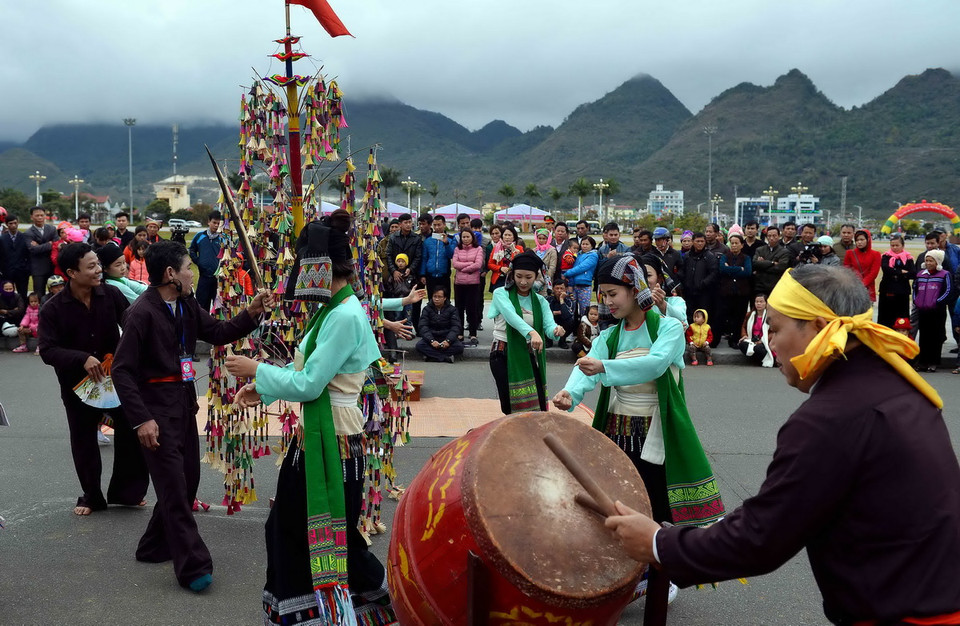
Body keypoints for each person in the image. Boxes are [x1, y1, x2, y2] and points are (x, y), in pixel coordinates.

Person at [605, 264, 960, 626]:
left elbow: (761, 537)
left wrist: (658, 543)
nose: (770, 342)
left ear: (818, 327)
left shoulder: (830, 417)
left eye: (774, 329)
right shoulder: (898, 387)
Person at [225, 211, 396, 624]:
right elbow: (306, 371)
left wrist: (256, 369)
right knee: (293, 527)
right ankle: (318, 612)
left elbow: (310, 385)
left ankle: (366, 604)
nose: (299, 277)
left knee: (326, 532)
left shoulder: (344, 314)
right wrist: (263, 387)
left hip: (332, 436)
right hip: (317, 434)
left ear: (318, 268)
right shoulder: (332, 310)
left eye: (302, 266)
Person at [554, 255, 724, 603]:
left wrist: (604, 367)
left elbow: (655, 365)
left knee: (654, 500)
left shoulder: (669, 329)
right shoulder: (610, 335)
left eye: (613, 293)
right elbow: (585, 369)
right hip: (617, 426)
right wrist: (569, 394)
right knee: (619, 498)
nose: (607, 302)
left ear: (635, 290)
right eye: (603, 294)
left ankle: (665, 574)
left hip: (655, 429)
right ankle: (629, 571)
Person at [111, 240, 274, 592]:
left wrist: (252, 311)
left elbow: (218, 332)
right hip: (155, 411)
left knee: (186, 481)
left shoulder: (186, 303)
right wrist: (141, 420)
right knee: (173, 487)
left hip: (183, 405)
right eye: (189, 269)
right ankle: (193, 566)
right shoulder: (140, 313)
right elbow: (121, 371)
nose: (193, 275)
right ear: (171, 274)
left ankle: (154, 546)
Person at [37, 242, 149, 515]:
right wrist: (81, 358)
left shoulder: (111, 294)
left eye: (98, 264)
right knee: (84, 440)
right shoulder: (53, 309)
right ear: (71, 273)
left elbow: (131, 325)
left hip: (115, 380)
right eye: (91, 266)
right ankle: (92, 497)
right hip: (77, 385)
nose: (99, 270)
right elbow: (48, 350)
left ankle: (127, 493)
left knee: (131, 430)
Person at [488, 251, 563, 414]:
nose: (523, 282)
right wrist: (532, 333)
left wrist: (556, 330)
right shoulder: (501, 293)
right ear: (512, 274)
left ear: (536, 276)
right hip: (502, 352)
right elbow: (511, 316)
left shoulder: (540, 301)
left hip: (526, 353)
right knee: (511, 406)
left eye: (528, 277)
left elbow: (549, 326)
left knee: (537, 403)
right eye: (519, 276)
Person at [912, 249, 950, 372]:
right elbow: (915, 289)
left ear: (937, 262)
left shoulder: (944, 274)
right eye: (927, 260)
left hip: (937, 311)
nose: (928, 263)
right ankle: (923, 362)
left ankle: (933, 362)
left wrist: (937, 302)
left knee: (936, 336)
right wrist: (916, 301)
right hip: (923, 310)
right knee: (924, 337)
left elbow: (948, 291)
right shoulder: (920, 274)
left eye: (931, 261)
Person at [387, 213, 423, 332]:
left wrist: (410, 268)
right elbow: (388, 255)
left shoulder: (416, 238)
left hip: (410, 276)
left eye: (410, 222)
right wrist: (394, 271)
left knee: (411, 304)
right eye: (406, 222)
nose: (408, 225)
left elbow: (418, 256)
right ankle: (396, 328)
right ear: (400, 224)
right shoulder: (393, 238)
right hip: (396, 276)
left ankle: (411, 328)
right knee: (396, 303)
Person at [680, 233, 718, 336]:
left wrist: (703, 283)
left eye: (702, 241)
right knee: (690, 315)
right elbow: (682, 271)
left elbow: (714, 273)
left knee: (703, 315)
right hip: (689, 292)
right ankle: (690, 337)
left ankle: (704, 338)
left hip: (704, 293)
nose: (700, 243)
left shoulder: (709, 256)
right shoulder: (687, 256)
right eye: (697, 241)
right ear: (693, 242)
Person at [718, 234, 752, 347]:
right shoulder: (725, 256)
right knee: (723, 315)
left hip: (741, 292)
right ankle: (718, 338)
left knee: (738, 317)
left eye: (736, 243)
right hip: (726, 291)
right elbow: (722, 270)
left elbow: (747, 272)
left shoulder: (746, 258)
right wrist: (739, 269)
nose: (734, 245)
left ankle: (735, 339)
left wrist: (730, 269)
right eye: (732, 243)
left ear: (742, 245)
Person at [452, 228, 483, 346]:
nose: (465, 239)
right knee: (459, 308)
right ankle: (459, 332)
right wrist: (470, 264)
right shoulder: (457, 249)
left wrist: (463, 268)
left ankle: (473, 333)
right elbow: (455, 263)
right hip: (459, 283)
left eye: (467, 236)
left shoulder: (478, 249)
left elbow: (478, 264)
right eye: (463, 237)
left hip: (473, 283)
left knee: (472, 309)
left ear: (472, 237)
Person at [188, 210, 224, 313]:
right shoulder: (200, 236)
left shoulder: (223, 238)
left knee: (218, 308)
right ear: (208, 222)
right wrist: (198, 261)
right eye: (214, 222)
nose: (216, 225)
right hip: (204, 277)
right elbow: (191, 249)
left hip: (218, 279)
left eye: (218, 223)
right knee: (202, 307)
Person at [878, 233, 915, 329]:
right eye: (892, 245)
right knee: (886, 318)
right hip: (887, 290)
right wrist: (901, 272)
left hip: (902, 292)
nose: (894, 247)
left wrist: (895, 272)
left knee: (902, 318)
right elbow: (886, 269)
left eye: (897, 245)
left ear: (902, 245)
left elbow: (912, 273)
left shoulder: (908, 258)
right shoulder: (886, 256)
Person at [416, 287, 464, 363]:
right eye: (435, 296)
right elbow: (423, 326)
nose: (436, 299)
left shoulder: (452, 310)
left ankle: (432, 356)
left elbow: (456, 327)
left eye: (439, 297)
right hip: (432, 337)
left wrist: (448, 340)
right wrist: (431, 340)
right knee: (420, 346)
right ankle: (445, 358)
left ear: (445, 298)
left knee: (459, 347)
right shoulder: (427, 309)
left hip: (446, 336)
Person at [24, 206, 57, 296]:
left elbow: (56, 244)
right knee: (39, 295)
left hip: (52, 267)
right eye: (37, 215)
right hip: (38, 270)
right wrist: (49, 244)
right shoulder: (28, 233)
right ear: (32, 217)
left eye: (42, 215)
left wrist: (39, 246)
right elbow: (33, 250)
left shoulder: (52, 229)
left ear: (45, 216)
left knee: (54, 295)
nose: (40, 217)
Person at [564, 235, 598, 319]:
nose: (584, 246)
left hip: (584, 285)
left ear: (592, 246)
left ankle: (584, 325)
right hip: (573, 285)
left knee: (584, 310)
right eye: (583, 244)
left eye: (587, 244)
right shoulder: (577, 254)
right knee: (571, 308)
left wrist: (567, 273)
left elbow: (582, 267)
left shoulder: (593, 255)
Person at [752, 225, 791, 296]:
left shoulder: (784, 251)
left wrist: (762, 265)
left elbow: (781, 267)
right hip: (760, 285)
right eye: (769, 236)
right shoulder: (760, 250)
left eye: (774, 235)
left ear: (779, 236)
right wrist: (772, 263)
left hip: (775, 285)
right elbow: (755, 264)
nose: (771, 238)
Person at [843, 229, 881, 302]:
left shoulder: (876, 254)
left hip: (868, 289)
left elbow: (873, 273)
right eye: (857, 240)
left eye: (862, 239)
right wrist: (853, 283)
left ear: (868, 239)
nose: (859, 242)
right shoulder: (850, 253)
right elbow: (846, 270)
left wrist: (862, 284)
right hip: (852, 288)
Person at [738, 293, 774, 367]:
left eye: (761, 302)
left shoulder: (770, 316)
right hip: (752, 340)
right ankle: (758, 358)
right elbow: (744, 327)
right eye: (756, 302)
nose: (758, 304)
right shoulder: (750, 314)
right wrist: (744, 335)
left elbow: (774, 331)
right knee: (742, 344)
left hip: (764, 341)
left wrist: (762, 340)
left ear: (766, 303)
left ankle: (762, 359)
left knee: (758, 348)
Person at [0, 215, 30, 299]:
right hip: (7, 272)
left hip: (22, 272)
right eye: (10, 223)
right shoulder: (2, 239)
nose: (13, 225)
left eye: (15, 223)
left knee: (23, 295)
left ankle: (23, 307)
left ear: (18, 223)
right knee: (7, 295)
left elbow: (28, 255)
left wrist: (27, 269)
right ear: (6, 224)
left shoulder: (25, 237)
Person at [487, 225, 521, 291]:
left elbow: (522, 264)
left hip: (513, 279)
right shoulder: (496, 248)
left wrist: (517, 255)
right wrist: (500, 268)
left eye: (509, 235)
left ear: (514, 237)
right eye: (505, 235)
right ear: (502, 236)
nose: (507, 237)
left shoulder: (519, 249)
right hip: (499, 279)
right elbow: (490, 264)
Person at [546, 280, 576, 349]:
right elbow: (545, 313)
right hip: (551, 321)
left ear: (566, 289)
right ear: (553, 289)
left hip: (563, 322)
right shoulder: (548, 299)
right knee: (543, 319)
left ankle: (562, 340)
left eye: (561, 288)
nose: (559, 291)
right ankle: (548, 340)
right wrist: (557, 312)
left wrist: (561, 299)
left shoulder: (570, 300)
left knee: (571, 321)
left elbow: (567, 315)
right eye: (557, 288)